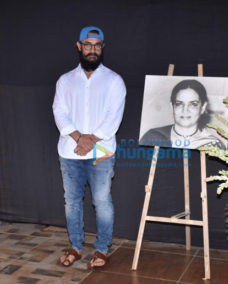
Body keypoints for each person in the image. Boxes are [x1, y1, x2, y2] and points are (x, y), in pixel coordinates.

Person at [52, 26, 126, 269]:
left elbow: (113, 117)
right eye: (87, 44)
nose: (92, 49)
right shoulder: (65, 80)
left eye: (96, 45)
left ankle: (102, 249)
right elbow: (59, 111)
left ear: (102, 48)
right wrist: (78, 138)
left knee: (102, 201)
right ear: (79, 46)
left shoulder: (114, 81)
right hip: (69, 151)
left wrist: (90, 140)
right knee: (71, 201)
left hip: (101, 152)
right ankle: (75, 246)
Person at [140, 79, 226, 149]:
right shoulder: (152, 137)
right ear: (172, 106)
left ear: (203, 107)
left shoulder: (214, 145)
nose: (185, 110)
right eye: (179, 103)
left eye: (193, 104)